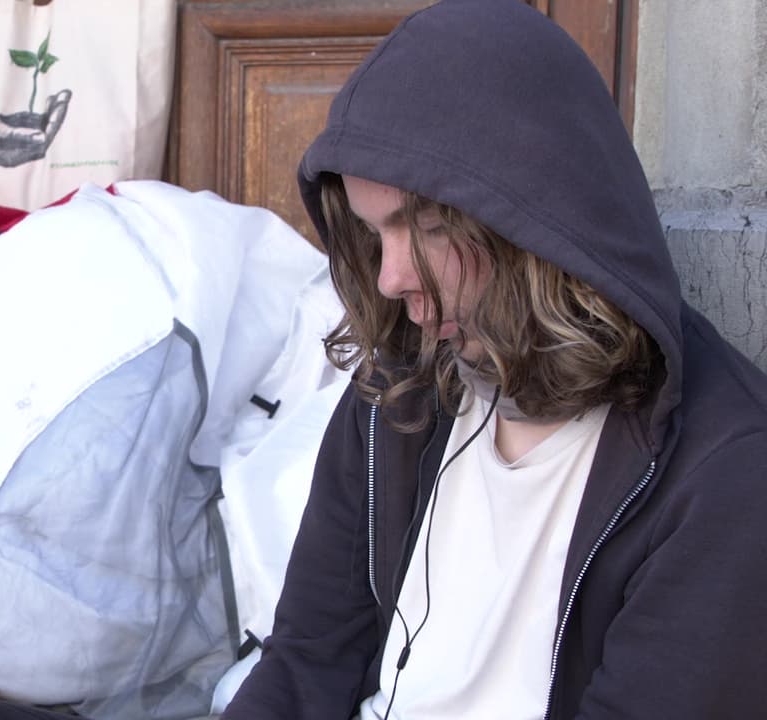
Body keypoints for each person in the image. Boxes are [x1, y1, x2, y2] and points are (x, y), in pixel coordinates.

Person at [223, 1, 767, 719]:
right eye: (374, 235)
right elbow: (306, 660)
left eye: (429, 226)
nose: (390, 277)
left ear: (537, 220)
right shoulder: (400, 393)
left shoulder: (726, 473)